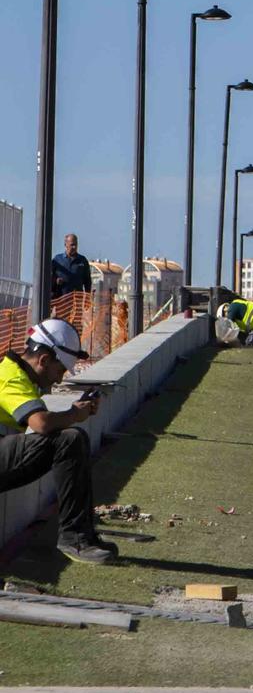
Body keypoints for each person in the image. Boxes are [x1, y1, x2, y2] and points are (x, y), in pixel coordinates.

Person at [0, 318, 118, 564]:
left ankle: (81, 534)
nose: (58, 379)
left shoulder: (18, 375)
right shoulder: (10, 378)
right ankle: (75, 538)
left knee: (70, 438)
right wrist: (75, 414)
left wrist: (72, 414)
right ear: (43, 360)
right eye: (60, 370)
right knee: (69, 439)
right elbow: (41, 424)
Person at [49, 232, 92, 303]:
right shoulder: (57, 260)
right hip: (61, 301)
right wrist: (56, 281)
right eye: (72, 245)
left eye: (76, 244)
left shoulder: (82, 260)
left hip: (77, 301)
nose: (74, 247)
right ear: (65, 245)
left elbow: (87, 281)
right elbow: (49, 278)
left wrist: (87, 299)